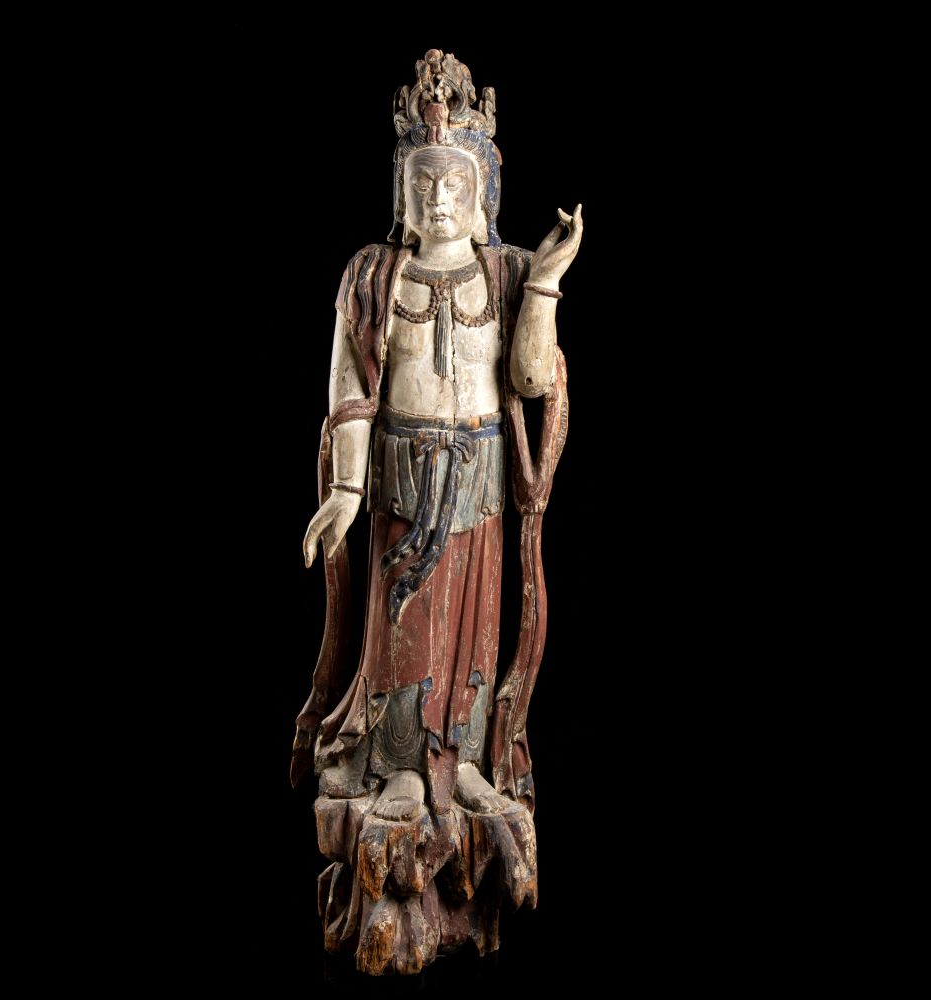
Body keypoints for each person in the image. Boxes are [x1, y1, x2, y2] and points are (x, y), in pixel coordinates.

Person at [291, 50, 582, 973]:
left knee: (473, 626)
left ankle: (462, 763)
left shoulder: (505, 271)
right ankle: (399, 770)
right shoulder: (373, 276)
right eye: (423, 182)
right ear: (401, 192)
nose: (440, 198)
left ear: (484, 191)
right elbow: (350, 387)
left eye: (456, 182)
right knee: (403, 624)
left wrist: (548, 279)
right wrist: (344, 490)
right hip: (401, 476)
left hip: (482, 473)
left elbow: (530, 378)